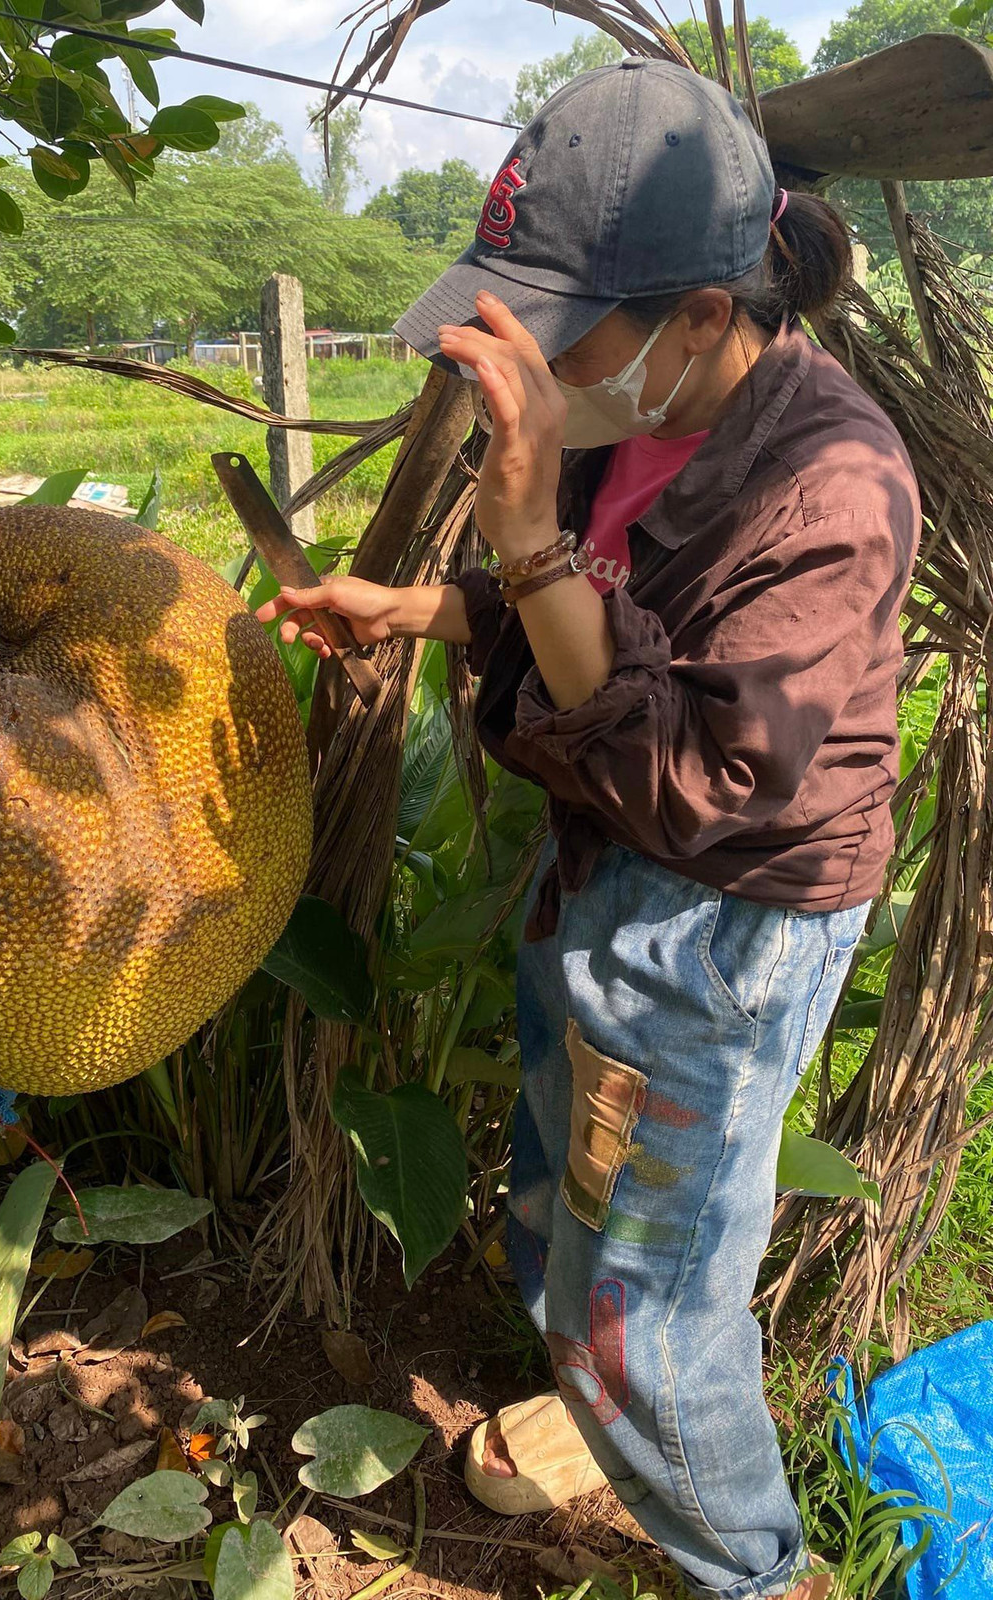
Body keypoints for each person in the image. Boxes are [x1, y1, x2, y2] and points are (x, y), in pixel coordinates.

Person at [258, 59, 918, 1600]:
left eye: (570, 327)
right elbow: (596, 621)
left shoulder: (832, 485)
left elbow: (700, 778)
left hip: (718, 913)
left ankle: (756, 1572)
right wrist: (423, 604)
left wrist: (533, 528)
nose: (543, 361)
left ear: (704, 315)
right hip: (603, 868)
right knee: (558, 1185)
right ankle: (607, 1418)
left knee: (640, 1311)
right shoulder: (650, 407)